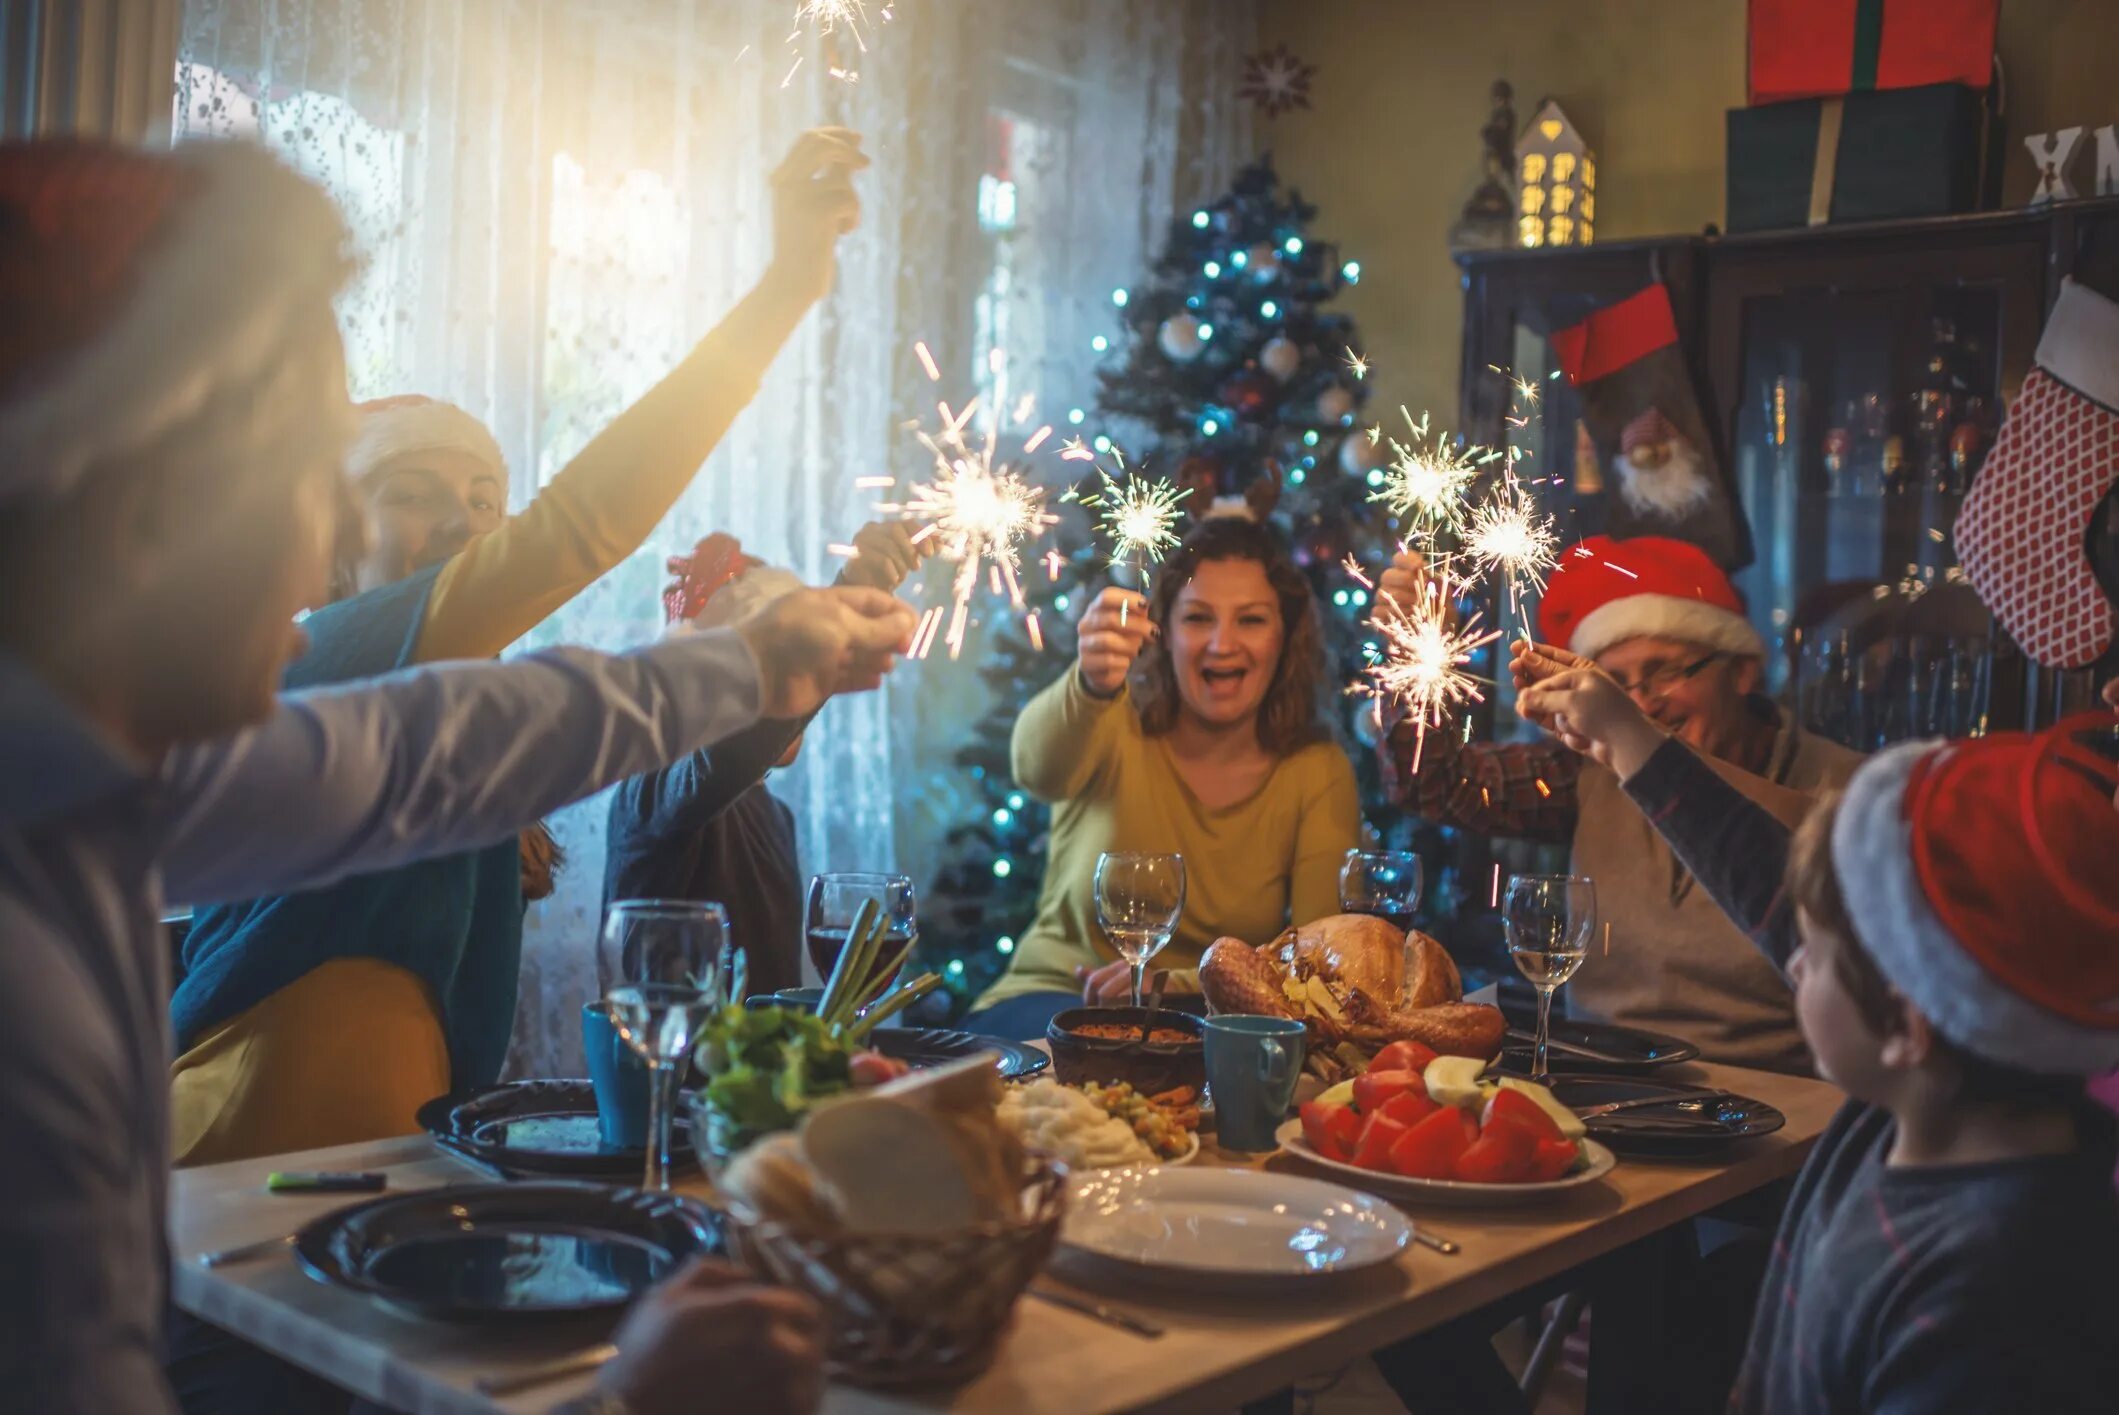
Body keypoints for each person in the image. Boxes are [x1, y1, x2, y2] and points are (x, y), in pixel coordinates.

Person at [0, 137, 910, 1415]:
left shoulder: (94, 790)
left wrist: (756, 663)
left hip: (346, 1201)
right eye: (296, 486)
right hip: (243, 1222)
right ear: (139, 506)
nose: (319, 540)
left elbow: (443, 749)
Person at [167, 126, 870, 1169]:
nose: (463, 522)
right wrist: (782, 290)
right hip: (249, 1153)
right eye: (412, 496)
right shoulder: (331, 647)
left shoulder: (443, 717)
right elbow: (580, 530)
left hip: (377, 1155)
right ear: (332, 537)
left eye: (483, 500)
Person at [1512, 665, 2119, 1410]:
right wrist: (1629, 742)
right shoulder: (1904, 1113)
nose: (1791, 955)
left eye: (1817, 951)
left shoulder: (1999, 1291)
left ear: (1905, 1022)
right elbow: (1759, 874)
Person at [1377, 534, 1862, 1073]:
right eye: (1617, 685)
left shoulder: (1848, 786)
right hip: (1606, 1087)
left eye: (1666, 671)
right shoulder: (1593, 771)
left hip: (1784, 1102)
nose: (1642, 704)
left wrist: (1638, 741)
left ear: (1742, 670)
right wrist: (1414, 653)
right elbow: (1433, 783)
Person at [967, 515, 1362, 1039]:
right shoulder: (1109, 715)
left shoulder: (1315, 768)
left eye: (1251, 620)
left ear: (1285, 637)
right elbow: (1036, 771)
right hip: (1051, 1001)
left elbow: (1319, 955)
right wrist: (1089, 683)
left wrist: (1171, 984)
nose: (1223, 644)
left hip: (1202, 1021)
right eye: (1198, 618)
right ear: (1164, 632)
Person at [603, 520, 926, 997]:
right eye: (775, 673)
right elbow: (732, 756)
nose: (797, 691)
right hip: (669, 1062)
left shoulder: (776, 816)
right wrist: (858, 585)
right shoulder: (653, 787)